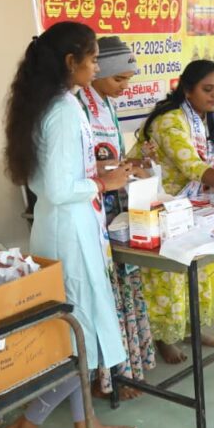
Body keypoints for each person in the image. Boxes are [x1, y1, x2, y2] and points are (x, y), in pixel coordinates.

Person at [1, 22, 136, 428]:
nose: (97, 67)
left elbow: (58, 177)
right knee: (79, 343)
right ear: (70, 62)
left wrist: (96, 176)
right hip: (68, 234)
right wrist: (103, 183)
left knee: (80, 335)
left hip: (70, 228)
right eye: (94, 59)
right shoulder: (62, 110)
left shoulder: (59, 103)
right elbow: (59, 189)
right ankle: (27, 426)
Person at [133, 60, 214, 364]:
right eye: (208, 89)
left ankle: (193, 328)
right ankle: (164, 337)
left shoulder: (208, 119)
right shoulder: (170, 122)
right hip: (161, 209)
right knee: (168, 278)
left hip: (194, 208)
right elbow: (194, 168)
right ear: (187, 89)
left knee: (197, 271)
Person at [75, 36, 156, 400]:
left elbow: (111, 157)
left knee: (121, 291)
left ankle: (123, 372)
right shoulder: (76, 106)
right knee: (100, 297)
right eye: (119, 79)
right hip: (92, 213)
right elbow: (79, 166)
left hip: (118, 209)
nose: (126, 87)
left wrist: (131, 165)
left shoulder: (105, 105)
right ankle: (104, 378)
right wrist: (110, 172)